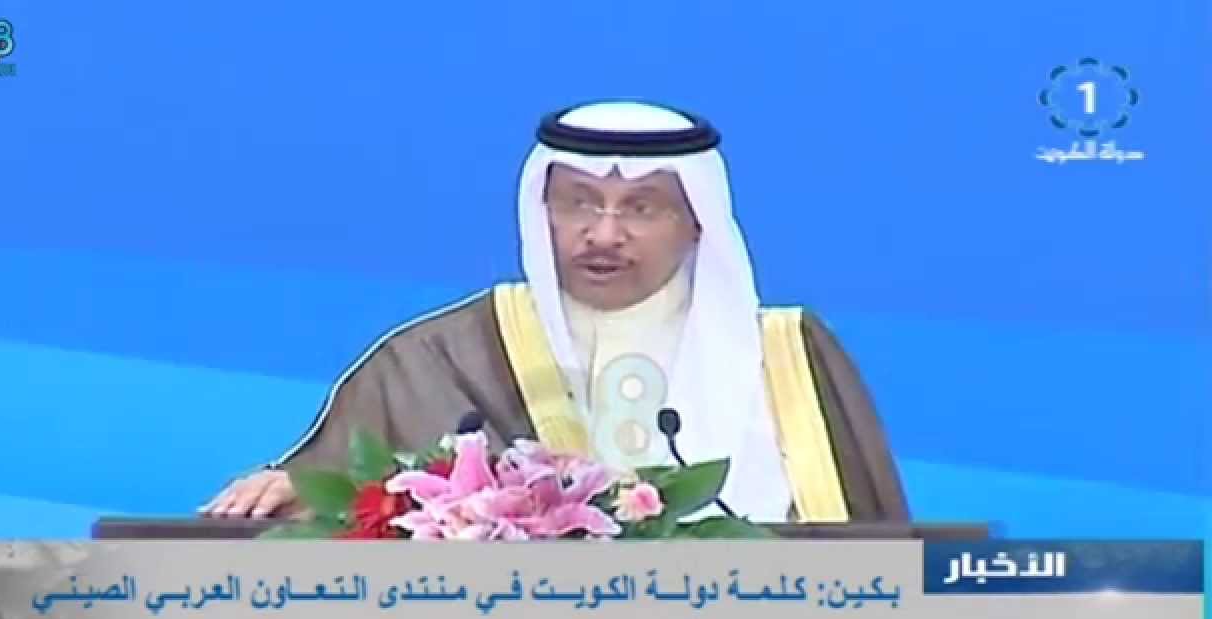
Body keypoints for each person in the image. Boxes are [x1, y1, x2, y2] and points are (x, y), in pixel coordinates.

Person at [200, 101, 909, 524]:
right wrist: (298, 491)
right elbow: (344, 498)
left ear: (697, 223)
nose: (604, 234)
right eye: (578, 204)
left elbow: (882, 555)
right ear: (541, 213)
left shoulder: (787, 356)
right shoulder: (440, 356)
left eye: (642, 208)